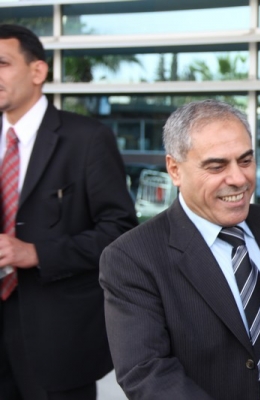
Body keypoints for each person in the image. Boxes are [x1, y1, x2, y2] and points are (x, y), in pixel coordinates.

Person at [99, 100, 260, 400]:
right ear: (174, 169)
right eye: (217, 166)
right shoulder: (132, 258)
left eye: (246, 160)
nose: (239, 179)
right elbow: (147, 373)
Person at [0, 24, 138, 400]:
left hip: (57, 340)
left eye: (3, 63)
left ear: (38, 71)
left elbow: (119, 231)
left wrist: (36, 253)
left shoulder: (87, 138)